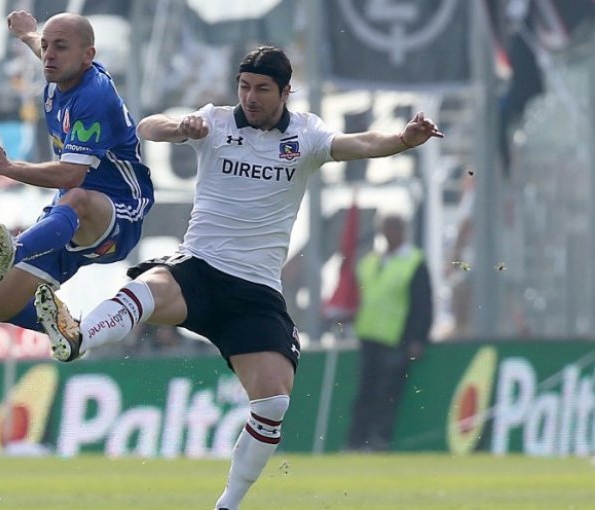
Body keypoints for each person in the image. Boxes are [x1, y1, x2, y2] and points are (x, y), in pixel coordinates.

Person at [33, 45, 443, 509]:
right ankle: (79, 337)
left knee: (273, 405)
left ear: (287, 91)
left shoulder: (306, 135)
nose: (250, 97)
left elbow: (362, 143)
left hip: (256, 292)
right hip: (202, 268)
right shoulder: (217, 121)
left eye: (262, 89)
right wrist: (180, 126)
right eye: (244, 87)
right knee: (150, 289)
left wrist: (404, 139)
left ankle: (228, 504)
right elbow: (147, 126)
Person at [0, 11, 153, 332]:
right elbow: (46, 50)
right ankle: (69, 331)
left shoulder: (94, 96)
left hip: (118, 215)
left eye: (60, 46)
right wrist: (27, 34)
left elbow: (71, 175)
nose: (49, 55)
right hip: (68, 215)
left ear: (89, 56)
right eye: (46, 45)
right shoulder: (60, 74)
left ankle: (18, 249)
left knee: (77, 197)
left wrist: (7, 167)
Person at [346, 213, 433, 452]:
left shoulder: (413, 261)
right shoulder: (371, 261)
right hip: (368, 336)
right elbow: (357, 295)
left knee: (387, 394)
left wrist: (417, 339)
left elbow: (422, 304)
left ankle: (378, 440)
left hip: (396, 338)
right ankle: (355, 441)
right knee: (364, 392)